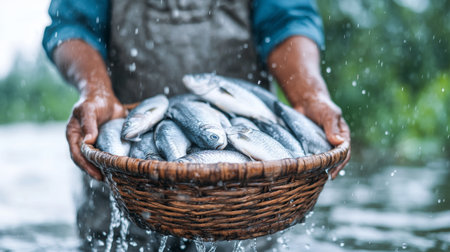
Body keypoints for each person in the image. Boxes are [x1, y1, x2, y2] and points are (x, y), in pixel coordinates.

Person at [43, 0, 351, 250]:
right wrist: (95, 91)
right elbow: (72, 24)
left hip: (247, 204)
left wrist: (310, 96)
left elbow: (287, 18)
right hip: (124, 189)